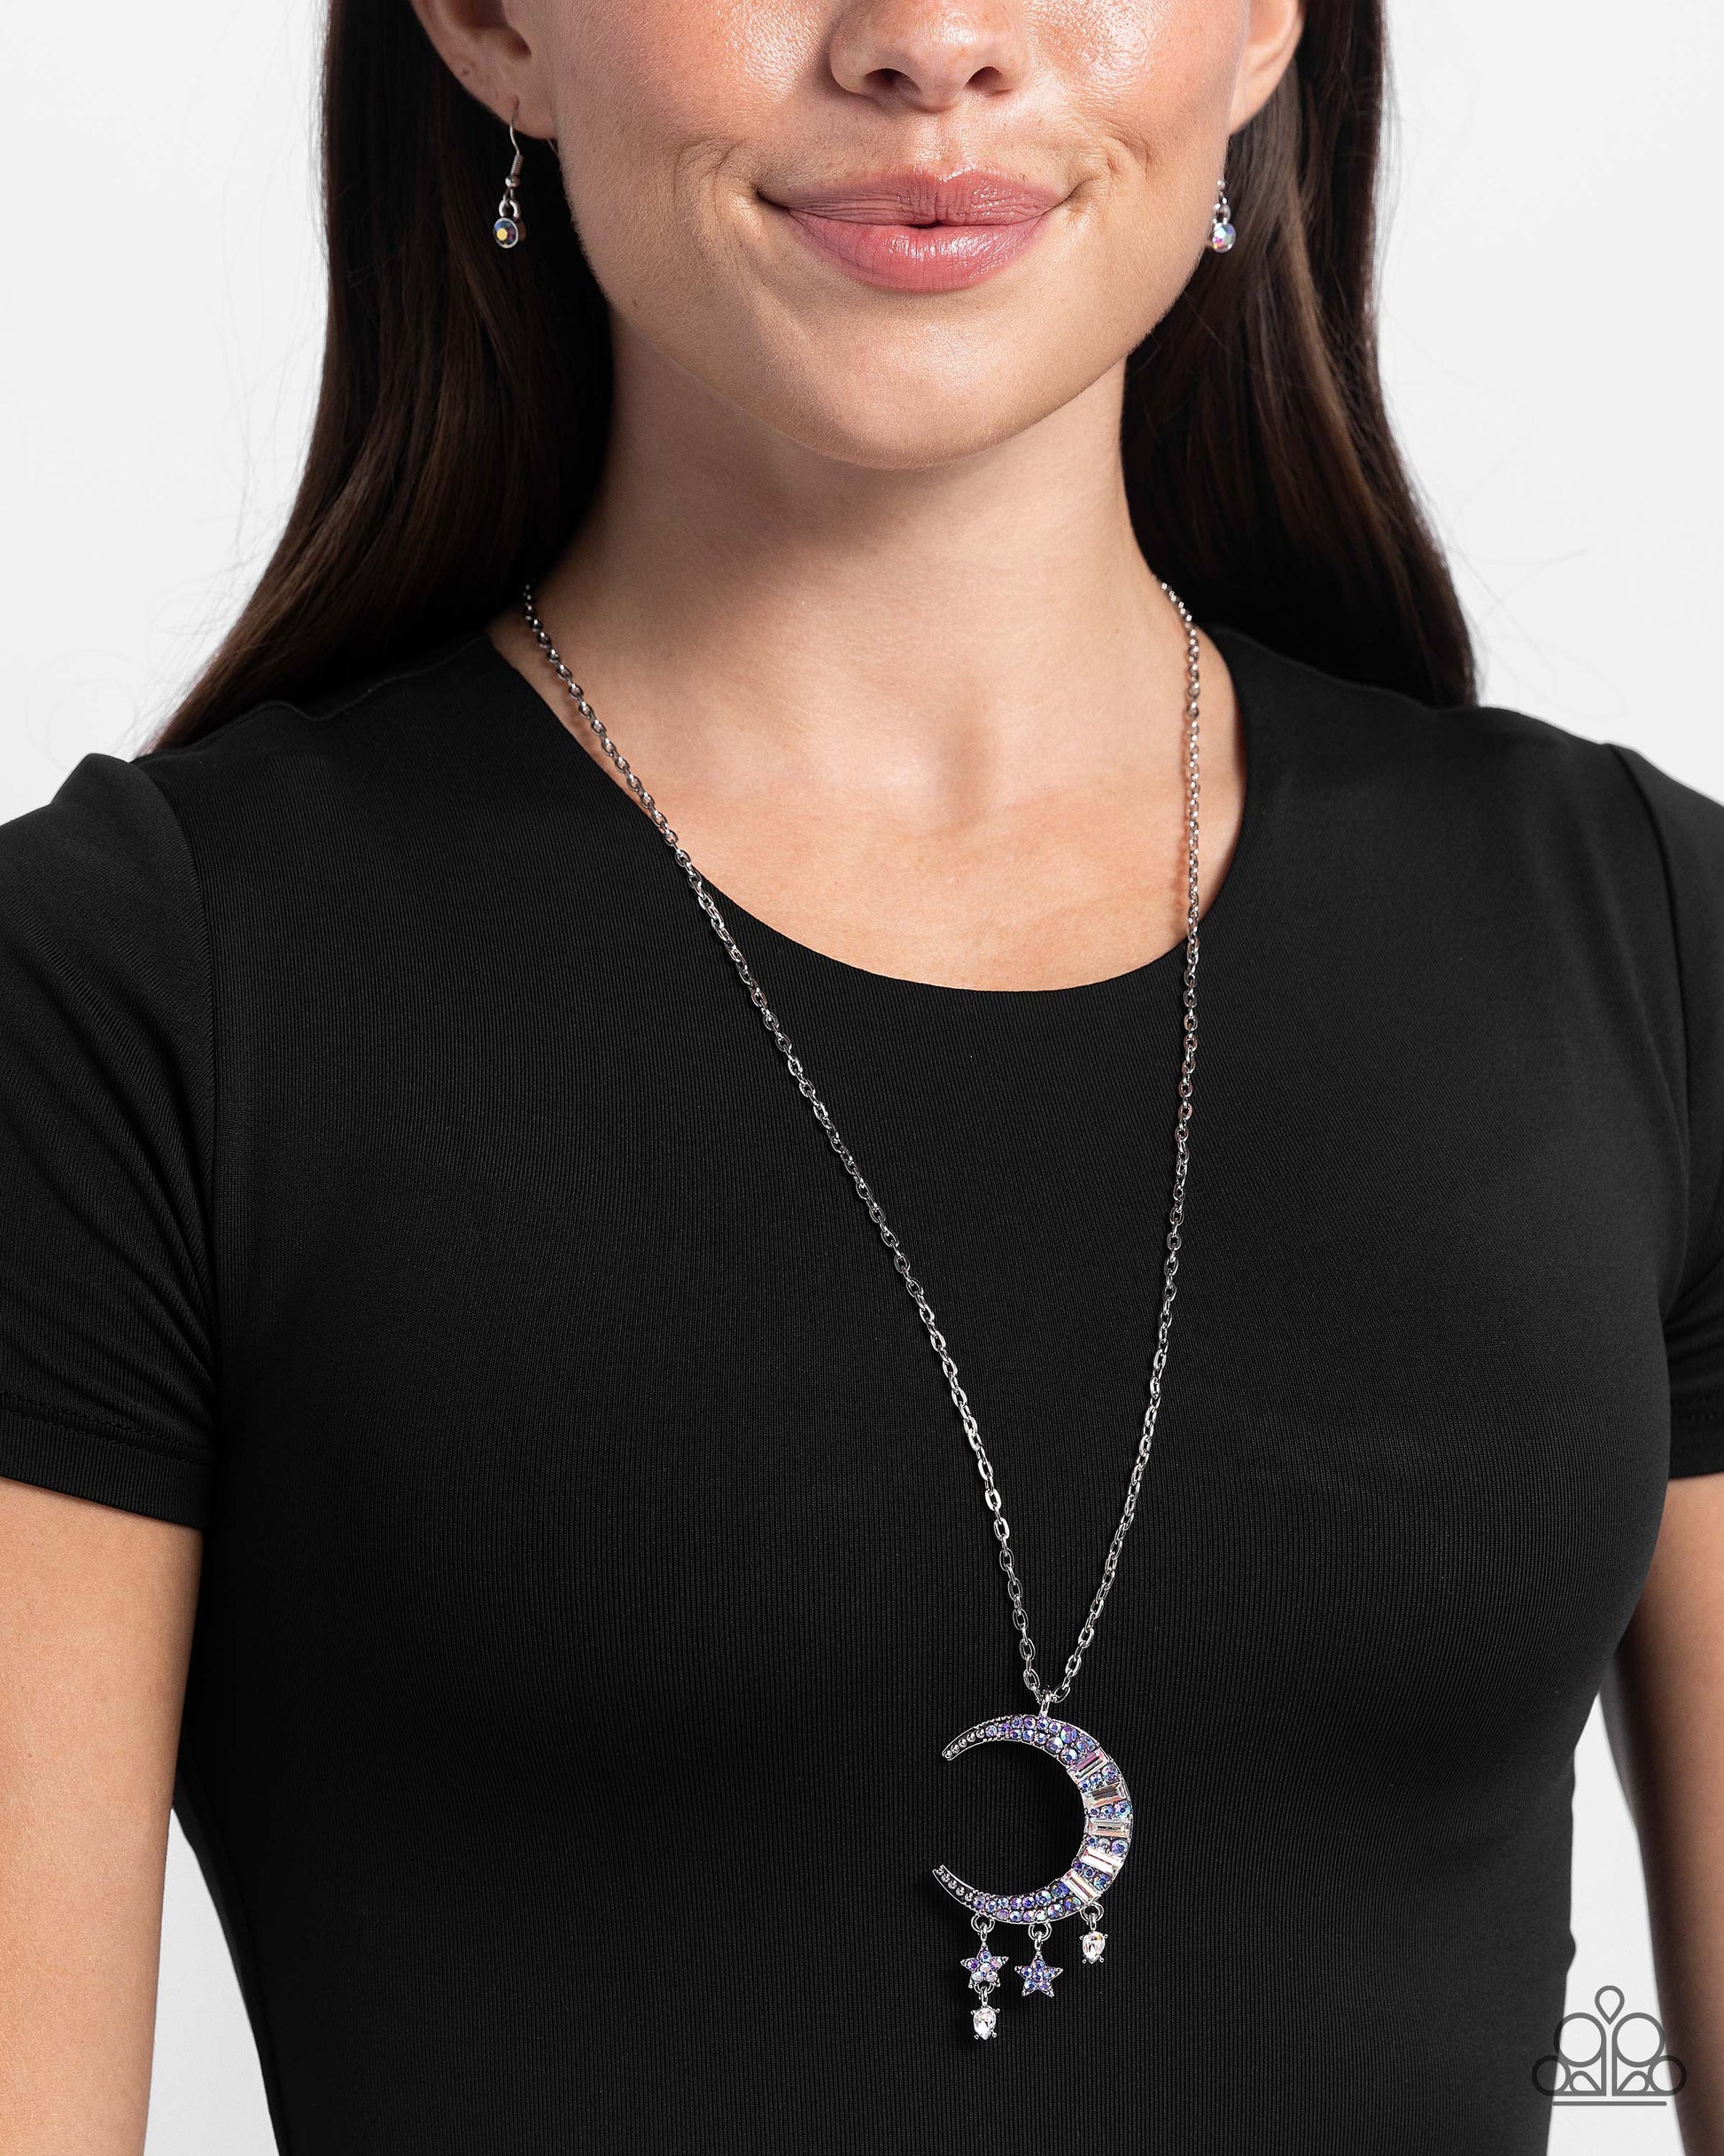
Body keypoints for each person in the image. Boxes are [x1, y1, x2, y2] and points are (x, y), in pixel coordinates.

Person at [1, 1, 1719, 2150]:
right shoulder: (133, 996)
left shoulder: (1650, 945)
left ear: (1268, 22)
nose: (933, 43)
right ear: (495, 25)